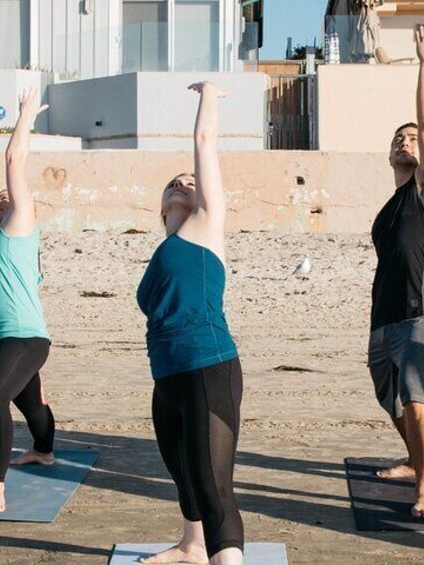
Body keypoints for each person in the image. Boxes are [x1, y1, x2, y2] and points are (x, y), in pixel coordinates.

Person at [136, 81, 243, 565]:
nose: (183, 182)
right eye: (172, 182)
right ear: (161, 207)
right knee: (183, 473)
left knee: (214, 484)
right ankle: (190, 547)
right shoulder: (161, 253)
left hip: (208, 366)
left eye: (190, 180)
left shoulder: (206, 228)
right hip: (167, 376)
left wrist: (208, 96)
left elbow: (204, 145)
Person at [368, 24, 424, 519]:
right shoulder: (389, 206)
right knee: (391, 401)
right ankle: (414, 458)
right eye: (399, 138)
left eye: (413, 138)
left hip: (422, 314)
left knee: (417, 398)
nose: (407, 140)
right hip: (384, 318)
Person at [0, 89, 55, 513]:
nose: (3, 198)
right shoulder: (3, 237)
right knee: (30, 403)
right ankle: (43, 450)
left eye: (9, 197)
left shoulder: (23, 223)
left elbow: (14, 162)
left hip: (24, 338)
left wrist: (25, 115)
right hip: (10, 336)